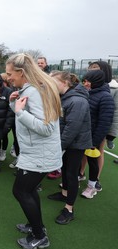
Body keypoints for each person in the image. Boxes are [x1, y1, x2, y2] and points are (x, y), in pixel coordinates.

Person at [6, 53, 62, 249]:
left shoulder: (36, 91)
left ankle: (39, 236)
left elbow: (46, 128)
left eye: (10, 73)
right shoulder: (32, 88)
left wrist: (20, 112)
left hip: (40, 155)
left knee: (20, 191)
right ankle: (36, 225)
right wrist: (15, 105)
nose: (8, 77)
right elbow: (30, 117)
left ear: (22, 72)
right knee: (27, 190)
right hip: (35, 153)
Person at [46, 71, 91, 224]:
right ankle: (64, 194)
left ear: (64, 83)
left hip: (76, 144)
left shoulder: (77, 101)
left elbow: (72, 127)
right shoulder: (66, 97)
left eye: (54, 82)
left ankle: (69, 209)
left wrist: (59, 146)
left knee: (72, 174)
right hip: (68, 142)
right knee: (65, 169)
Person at [80, 70, 114, 198]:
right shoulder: (87, 93)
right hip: (83, 134)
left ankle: (92, 186)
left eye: (89, 81)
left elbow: (105, 122)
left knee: (92, 161)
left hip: (93, 137)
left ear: (97, 82)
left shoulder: (106, 97)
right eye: (84, 81)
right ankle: (80, 177)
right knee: (80, 158)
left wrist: (94, 142)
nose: (86, 84)